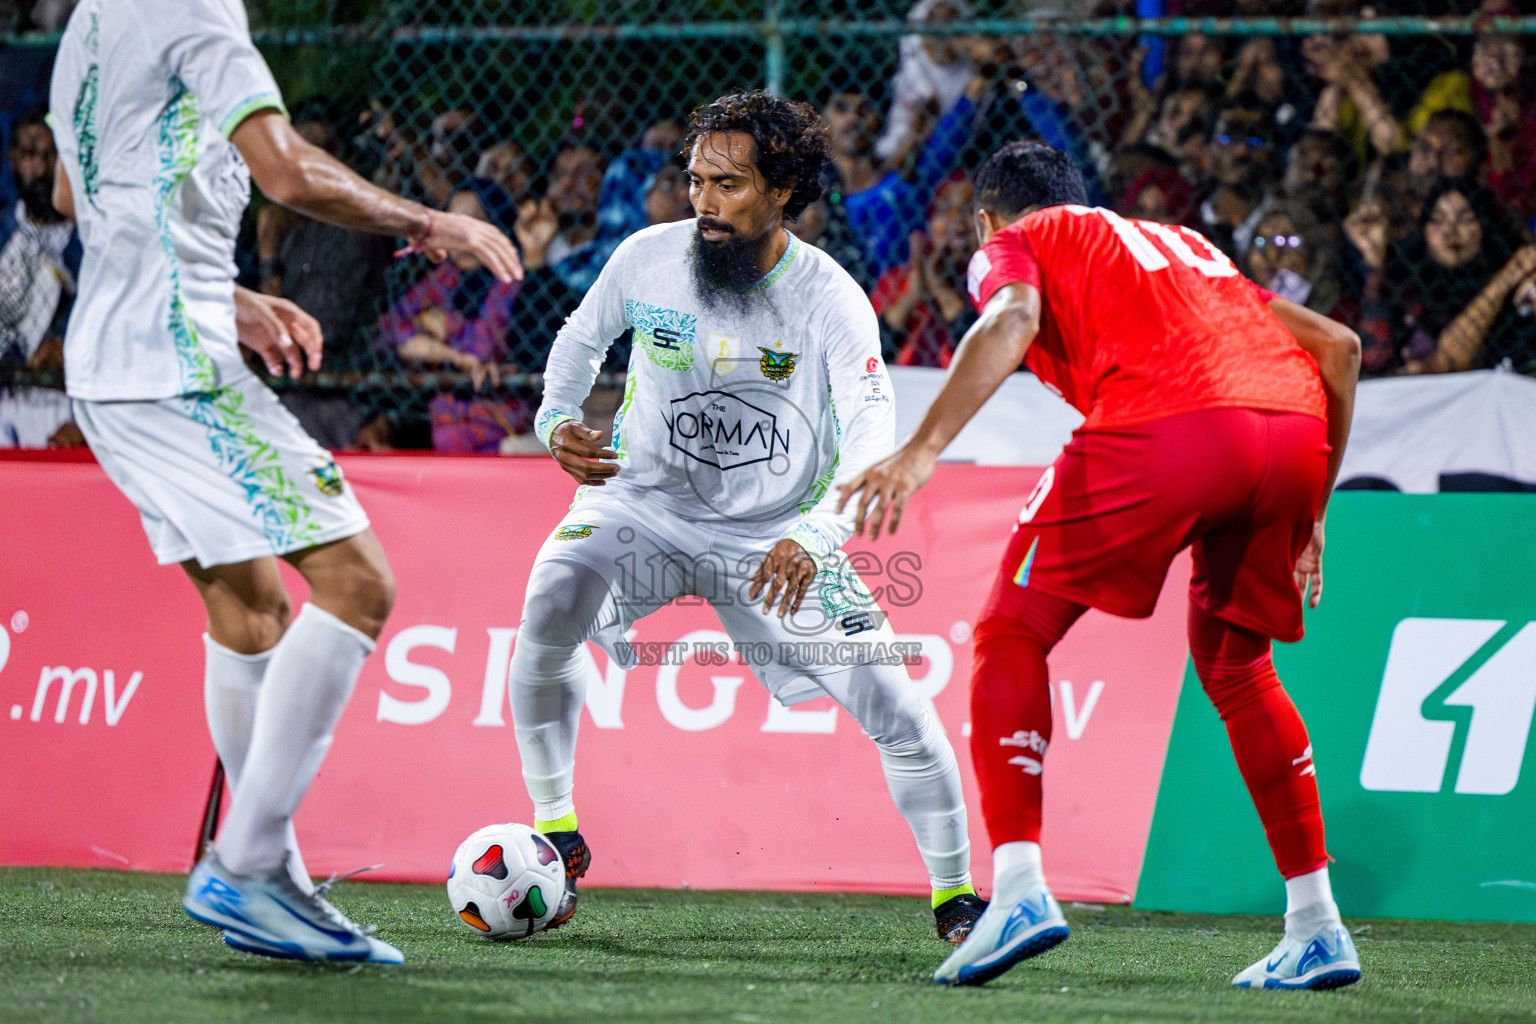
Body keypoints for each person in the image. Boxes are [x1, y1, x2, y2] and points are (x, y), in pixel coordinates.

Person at [48, 0, 518, 963]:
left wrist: (228, 295)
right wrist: (433, 222)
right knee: (359, 583)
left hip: (110, 367)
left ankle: (273, 883)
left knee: (251, 609)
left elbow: (74, 192)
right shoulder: (201, 15)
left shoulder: (95, 16)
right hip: (176, 370)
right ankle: (248, 864)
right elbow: (287, 171)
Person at [838, 141, 1363, 989]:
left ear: (987, 219)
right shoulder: (1187, 248)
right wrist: (1314, 516)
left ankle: (1015, 889)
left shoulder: (1023, 238)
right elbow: (1338, 347)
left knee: (1012, 630)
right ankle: (1317, 923)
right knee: (1236, 665)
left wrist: (921, 449)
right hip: (1295, 436)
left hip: (1174, 422)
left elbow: (1009, 319)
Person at [511, 91, 984, 944]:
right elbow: (578, 343)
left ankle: (957, 901)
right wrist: (554, 422)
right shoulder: (646, 258)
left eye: (728, 185)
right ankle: (556, 830)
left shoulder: (829, 297)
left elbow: (872, 424)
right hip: (641, 505)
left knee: (898, 708)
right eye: (695, 180)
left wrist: (817, 534)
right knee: (547, 607)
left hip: (775, 534)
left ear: (783, 190)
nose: (704, 203)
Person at [376, 180, 526, 453]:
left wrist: (443, 325)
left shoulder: (511, 274)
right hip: (449, 409)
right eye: (454, 223)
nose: (460, 235)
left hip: (501, 413)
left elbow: (481, 350)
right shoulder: (446, 276)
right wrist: (449, 353)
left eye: (473, 223)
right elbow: (389, 329)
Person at [0, 106, 79, 448]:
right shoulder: (4, 235)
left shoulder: (92, 241)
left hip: (72, 405)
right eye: (32, 154)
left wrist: (63, 339)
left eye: (53, 156)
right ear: (13, 158)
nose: (43, 168)